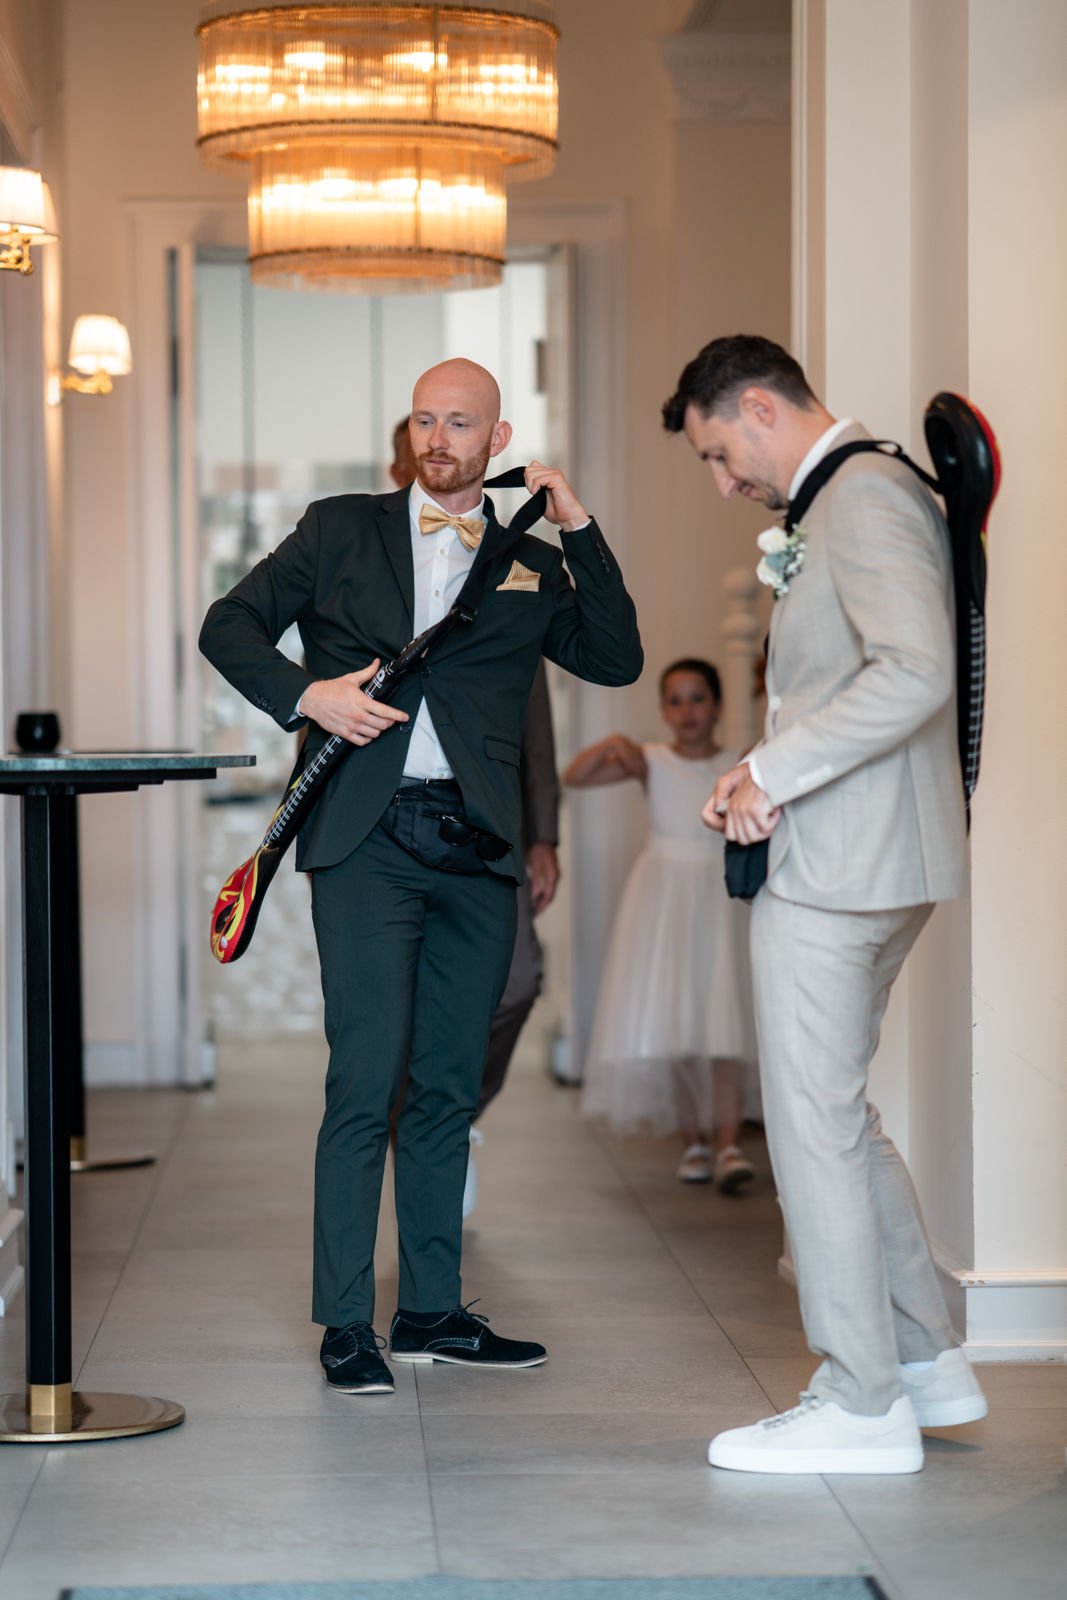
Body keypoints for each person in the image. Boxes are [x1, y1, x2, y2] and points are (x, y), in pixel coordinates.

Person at [201, 359, 642, 1396]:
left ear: (498, 440)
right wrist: (308, 695)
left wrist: (577, 525)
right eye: (423, 420)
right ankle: (345, 1321)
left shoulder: (529, 558)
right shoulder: (336, 528)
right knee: (364, 1079)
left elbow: (615, 657)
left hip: (478, 844)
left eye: (460, 423)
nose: (437, 438)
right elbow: (228, 624)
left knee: (445, 1085)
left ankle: (432, 1311)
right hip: (365, 839)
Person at [662, 334, 987, 1475]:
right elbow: (846, 681)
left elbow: (914, 671)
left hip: (844, 863)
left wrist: (772, 770)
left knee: (810, 1126)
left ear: (758, 406)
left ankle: (857, 1402)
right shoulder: (854, 492)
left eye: (717, 454)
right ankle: (924, 1363)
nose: (721, 483)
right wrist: (758, 766)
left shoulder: (862, 495)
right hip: (869, 854)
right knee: (839, 1116)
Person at [389, 417, 562, 1217]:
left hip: (490, 820)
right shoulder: (359, 552)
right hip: (379, 821)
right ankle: (426, 1137)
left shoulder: (507, 558)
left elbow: (533, 709)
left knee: (517, 982)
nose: (436, 450)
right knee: (395, 1003)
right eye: (420, 440)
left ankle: (451, 1117)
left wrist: (543, 831)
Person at [564, 659, 757, 1190]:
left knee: (724, 1022)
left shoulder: (736, 761)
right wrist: (613, 744)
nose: (687, 710)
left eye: (698, 699)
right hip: (665, 899)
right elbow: (574, 776)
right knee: (678, 1021)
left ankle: (730, 1145)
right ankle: (694, 1141)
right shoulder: (650, 760)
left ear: (716, 706)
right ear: (663, 710)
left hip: (719, 896)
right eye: (675, 700)